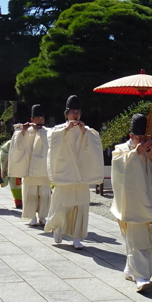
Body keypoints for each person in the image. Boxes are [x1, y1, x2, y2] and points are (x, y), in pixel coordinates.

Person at [111, 114, 152, 292]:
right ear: (131, 136)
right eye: (138, 138)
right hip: (133, 202)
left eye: (145, 138)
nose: (142, 141)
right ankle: (141, 276)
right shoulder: (121, 151)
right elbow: (119, 171)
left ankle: (131, 269)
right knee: (137, 238)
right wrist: (136, 154)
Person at [44, 95, 104, 249]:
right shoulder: (57, 130)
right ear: (66, 114)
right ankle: (58, 227)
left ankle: (77, 237)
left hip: (81, 175)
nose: (75, 115)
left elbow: (95, 144)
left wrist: (85, 133)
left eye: (78, 112)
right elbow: (51, 140)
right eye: (72, 112)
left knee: (80, 207)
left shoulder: (88, 131)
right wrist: (66, 129)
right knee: (62, 205)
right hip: (65, 173)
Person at [7, 104, 51, 227]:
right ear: (32, 119)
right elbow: (17, 145)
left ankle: (43, 217)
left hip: (43, 169)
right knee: (30, 193)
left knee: (44, 193)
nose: (40, 121)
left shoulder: (48, 132)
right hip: (30, 169)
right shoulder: (25, 131)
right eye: (38, 118)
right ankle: (32, 217)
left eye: (42, 118)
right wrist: (23, 131)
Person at [0, 138, 22, 208]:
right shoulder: (10, 143)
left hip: (24, 165)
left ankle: (25, 200)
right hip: (13, 165)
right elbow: (3, 151)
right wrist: (11, 155)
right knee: (14, 183)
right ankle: (18, 200)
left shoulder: (29, 141)